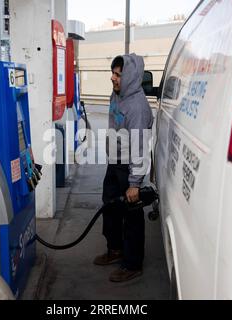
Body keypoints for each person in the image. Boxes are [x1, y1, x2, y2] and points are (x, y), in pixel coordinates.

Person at [93, 54, 154, 282]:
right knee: (110, 207)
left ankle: (132, 263)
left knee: (132, 216)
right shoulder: (116, 95)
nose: (113, 78)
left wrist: (135, 183)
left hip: (129, 167)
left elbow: (140, 146)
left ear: (129, 77)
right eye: (113, 73)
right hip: (115, 162)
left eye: (118, 74)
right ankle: (115, 249)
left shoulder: (137, 107)